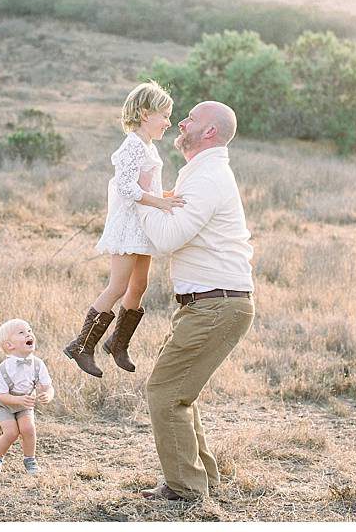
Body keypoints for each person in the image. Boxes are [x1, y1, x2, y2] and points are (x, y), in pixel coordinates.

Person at [134, 101, 255, 502]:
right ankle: (202, 479)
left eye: (191, 118)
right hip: (209, 302)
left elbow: (168, 238)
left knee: (165, 392)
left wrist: (142, 199)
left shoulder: (209, 177)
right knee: (179, 392)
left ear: (209, 133)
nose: (180, 122)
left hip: (216, 304)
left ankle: (185, 489)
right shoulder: (201, 172)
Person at [64, 81, 184, 377]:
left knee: (139, 286)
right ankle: (81, 346)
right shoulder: (131, 145)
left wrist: (167, 196)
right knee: (118, 286)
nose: (169, 122)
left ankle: (117, 343)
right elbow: (126, 186)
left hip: (143, 227)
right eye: (165, 115)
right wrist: (159, 202)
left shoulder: (148, 146)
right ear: (145, 114)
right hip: (129, 226)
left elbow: (147, 186)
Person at [0, 319, 54, 475]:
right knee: (11, 433)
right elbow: (1, 396)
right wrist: (18, 400)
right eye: (22, 332)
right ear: (9, 345)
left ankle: (30, 460)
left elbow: (47, 387)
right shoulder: (3, 369)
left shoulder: (38, 364)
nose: (28, 334)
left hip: (24, 403)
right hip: (4, 404)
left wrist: (48, 395)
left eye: (29, 331)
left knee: (28, 429)